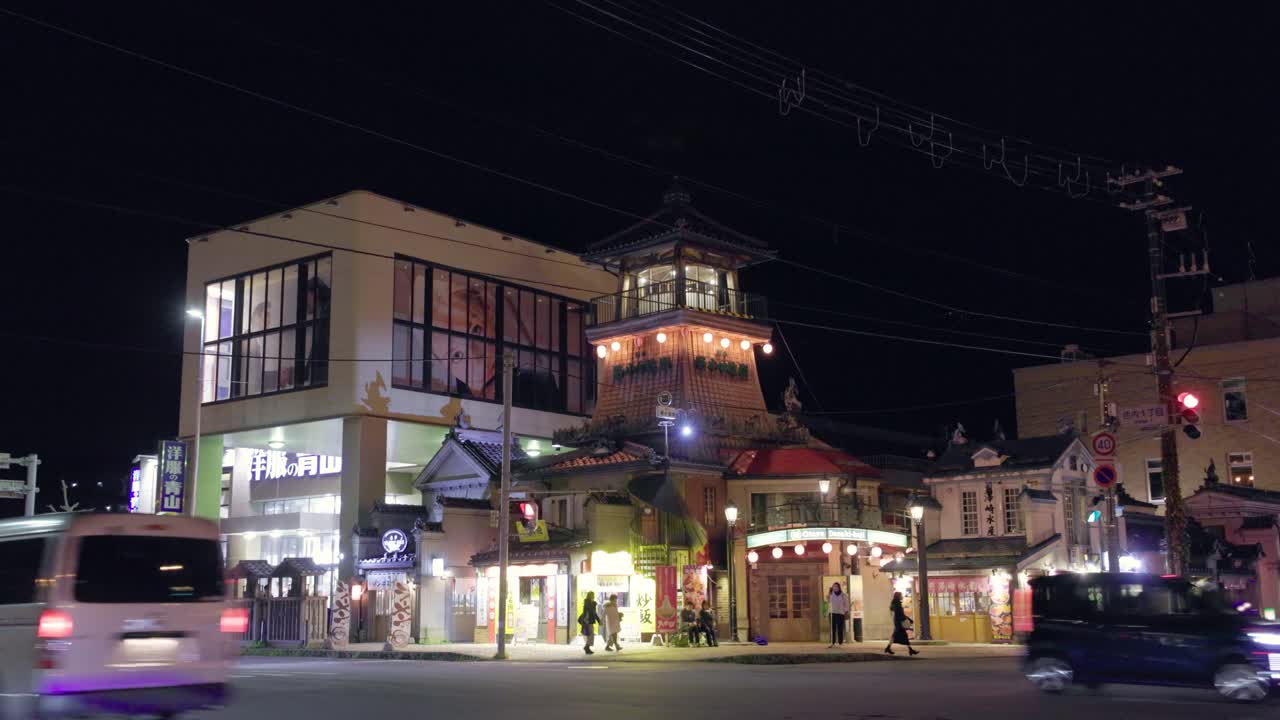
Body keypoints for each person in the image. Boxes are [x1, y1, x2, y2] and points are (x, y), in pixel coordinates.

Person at [885, 591, 919, 656]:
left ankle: (888, 648)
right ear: (898, 596)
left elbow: (897, 613)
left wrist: (907, 619)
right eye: (901, 595)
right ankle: (910, 650)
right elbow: (900, 614)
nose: (902, 596)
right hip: (899, 622)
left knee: (895, 636)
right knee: (902, 636)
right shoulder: (897, 604)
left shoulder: (895, 603)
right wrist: (908, 619)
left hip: (897, 621)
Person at [827, 582, 850, 647]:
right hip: (833, 613)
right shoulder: (831, 595)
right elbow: (828, 603)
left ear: (839, 587)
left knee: (840, 628)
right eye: (833, 586)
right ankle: (833, 642)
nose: (835, 588)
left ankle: (840, 642)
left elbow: (846, 604)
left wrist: (846, 611)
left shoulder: (843, 595)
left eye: (836, 586)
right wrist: (829, 595)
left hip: (840, 613)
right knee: (833, 628)